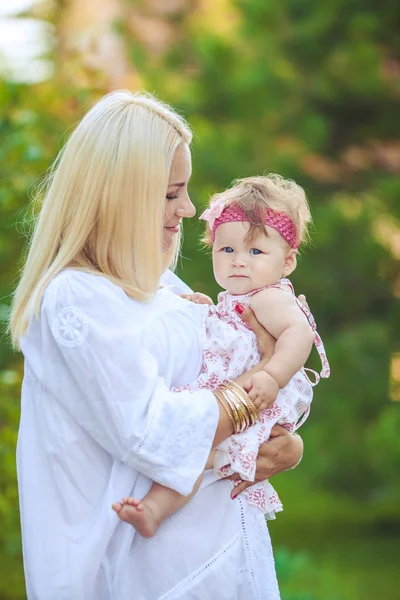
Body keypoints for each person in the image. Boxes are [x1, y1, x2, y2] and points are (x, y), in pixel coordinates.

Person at [10, 90, 304, 600]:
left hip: (220, 552)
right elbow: (151, 431)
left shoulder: (161, 287)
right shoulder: (75, 299)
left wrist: (283, 443)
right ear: (119, 195)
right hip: (141, 574)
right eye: (171, 194)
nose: (188, 209)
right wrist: (250, 398)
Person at [114, 175, 330, 537]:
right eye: (226, 250)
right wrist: (203, 308)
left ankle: (154, 509)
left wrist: (273, 375)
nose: (239, 262)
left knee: (198, 451)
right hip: (237, 398)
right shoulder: (238, 299)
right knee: (199, 453)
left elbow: (299, 333)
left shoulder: (271, 296)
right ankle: (152, 510)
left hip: (257, 397)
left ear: (288, 261)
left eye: (255, 251)